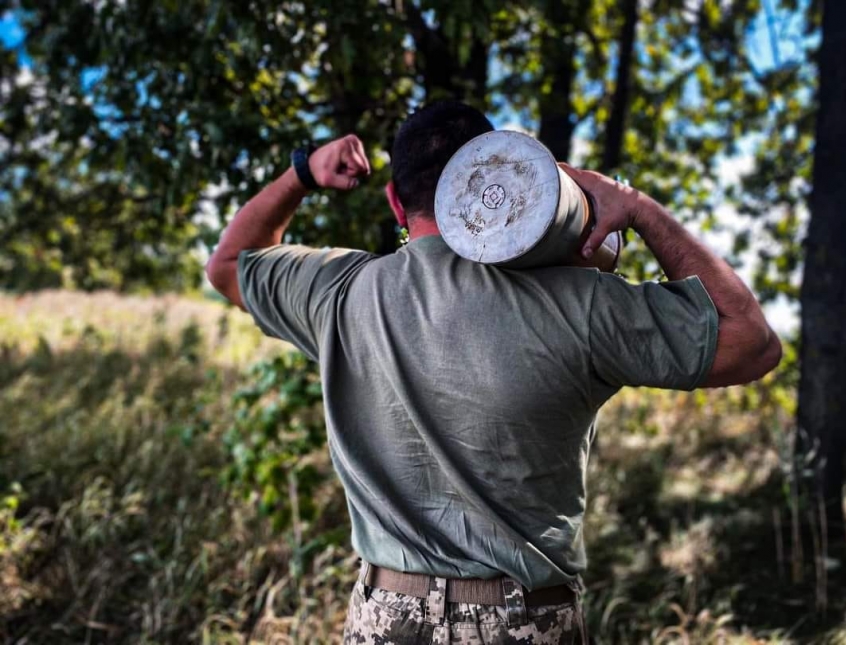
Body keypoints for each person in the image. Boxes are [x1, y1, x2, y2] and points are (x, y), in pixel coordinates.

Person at [206, 101, 782, 644]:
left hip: (384, 615)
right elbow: (752, 343)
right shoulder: (580, 303)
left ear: (394, 202)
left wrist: (303, 173)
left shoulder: (337, 292)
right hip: (521, 621)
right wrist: (635, 206)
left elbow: (229, 263)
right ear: (493, 177)